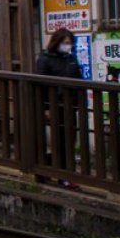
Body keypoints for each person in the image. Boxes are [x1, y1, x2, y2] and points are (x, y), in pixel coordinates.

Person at [36, 28, 83, 189]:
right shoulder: (45, 59)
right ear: (57, 42)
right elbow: (40, 85)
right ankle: (56, 173)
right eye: (65, 43)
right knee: (58, 141)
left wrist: (79, 102)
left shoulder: (71, 59)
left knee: (69, 141)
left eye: (70, 43)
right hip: (54, 105)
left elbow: (79, 79)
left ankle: (63, 174)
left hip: (70, 105)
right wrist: (45, 108)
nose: (68, 46)